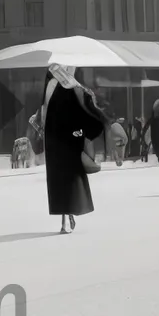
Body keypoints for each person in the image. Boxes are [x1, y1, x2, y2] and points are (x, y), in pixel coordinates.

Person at [41, 63, 105, 234]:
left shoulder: (50, 85)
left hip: (53, 140)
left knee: (59, 183)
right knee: (68, 182)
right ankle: (67, 217)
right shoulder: (72, 87)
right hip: (68, 140)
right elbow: (83, 114)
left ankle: (65, 218)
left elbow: (44, 112)